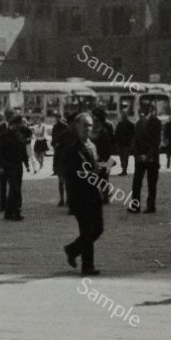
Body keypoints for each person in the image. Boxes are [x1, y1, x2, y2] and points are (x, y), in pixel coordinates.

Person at [61, 112, 105, 275]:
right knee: (86, 231)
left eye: (90, 125)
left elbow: (96, 166)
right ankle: (88, 266)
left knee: (98, 228)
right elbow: (70, 173)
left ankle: (72, 250)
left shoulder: (92, 145)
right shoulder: (72, 148)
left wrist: (101, 170)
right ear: (77, 126)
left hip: (94, 193)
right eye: (84, 125)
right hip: (80, 195)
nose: (88, 128)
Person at [129, 107, 161, 214]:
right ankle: (135, 205)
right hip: (140, 158)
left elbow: (156, 141)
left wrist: (147, 155)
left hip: (151, 158)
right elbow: (136, 140)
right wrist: (137, 154)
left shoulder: (156, 122)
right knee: (136, 183)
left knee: (151, 183)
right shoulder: (138, 123)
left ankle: (151, 206)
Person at [0, 112, 30, 221]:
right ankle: (16, 212)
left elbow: (23, 151)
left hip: (18, 166)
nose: (18, 126)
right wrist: (1, 166)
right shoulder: (4, 135)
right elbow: (0, 152)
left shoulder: (20, 135)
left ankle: (8, 212)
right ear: (11, 124)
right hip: (9, 165)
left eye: (19, 124)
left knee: (17, 189)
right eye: (16, 124)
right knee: (14, 189)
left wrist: (26, 164)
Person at [113, 110, 135, 175]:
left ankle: (124, 169)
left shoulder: (120, 124)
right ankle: (124, 169)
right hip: (126, 143)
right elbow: (133, 134)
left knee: (122, 157)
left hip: (122, 143)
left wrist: (116, 142)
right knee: (125, 157)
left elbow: (116, 133)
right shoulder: (130, 124)